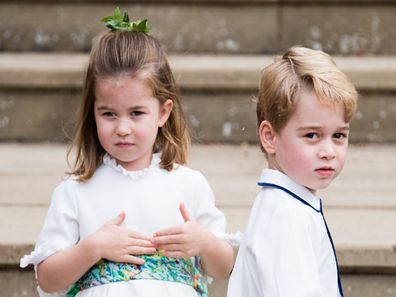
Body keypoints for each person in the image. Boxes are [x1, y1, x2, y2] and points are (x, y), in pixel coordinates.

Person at [20, 8, 234, 297]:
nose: (122, 128)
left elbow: (223, 268)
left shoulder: (189, 184)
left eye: (136, 113)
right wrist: (92, 247)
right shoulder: (76, 191)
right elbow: (47, 279)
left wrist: (205, 243)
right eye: (109, 113)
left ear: (163, 112)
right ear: (92, 112)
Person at [227, 46, 357, 297]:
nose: (328, 151)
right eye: (312, 135)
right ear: (270, 137)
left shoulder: (285, 204)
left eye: (338, 135)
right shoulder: (288, 216)